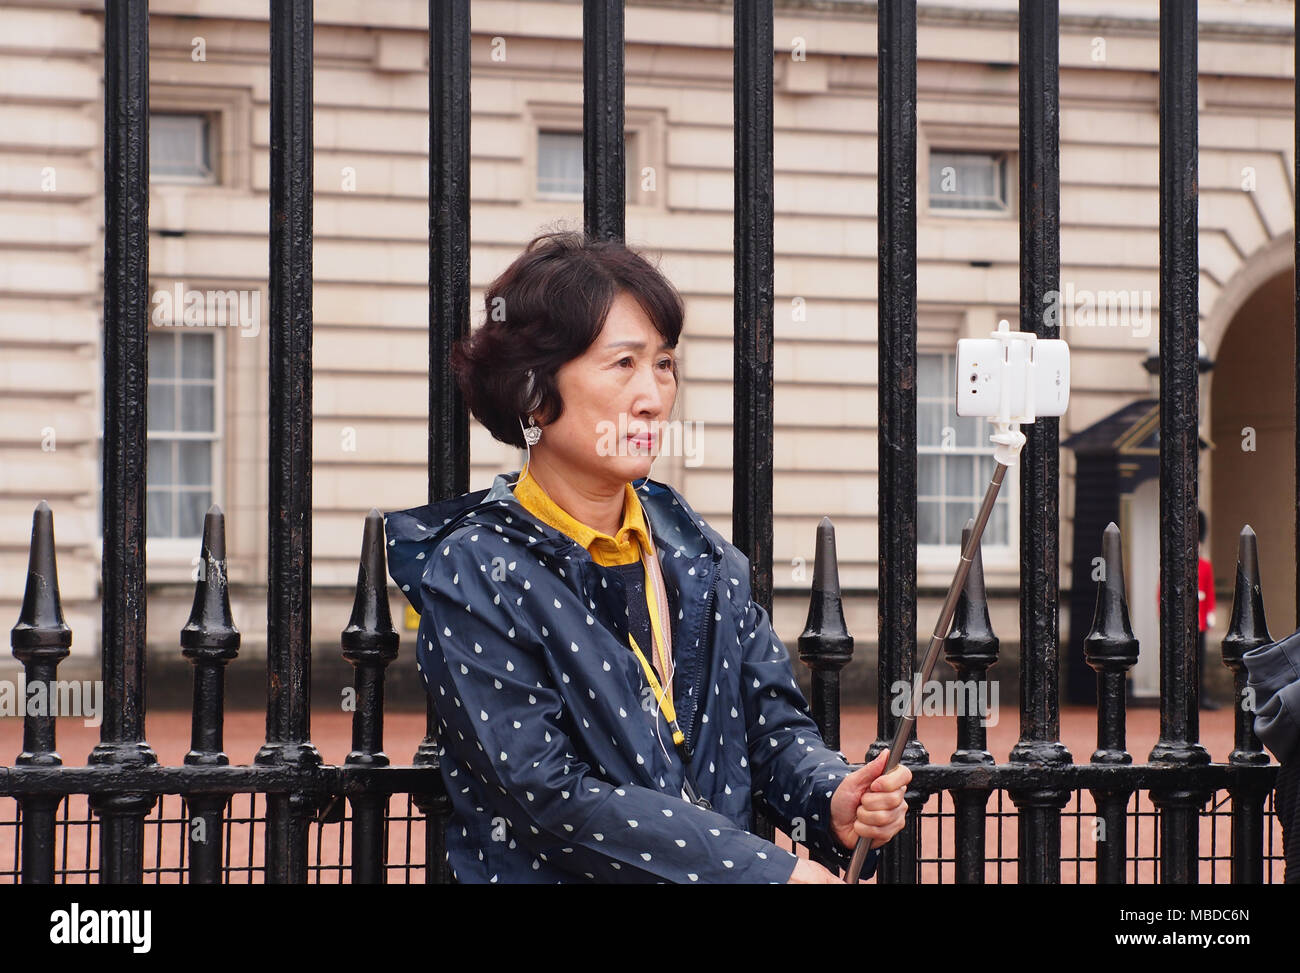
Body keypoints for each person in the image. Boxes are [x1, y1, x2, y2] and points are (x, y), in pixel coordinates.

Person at [384, 229, 910, 883]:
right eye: (623, 362)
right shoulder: (475, 571)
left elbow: (772, 727)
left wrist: (832, 795)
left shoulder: (701, 552)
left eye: (663, 363)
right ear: (532, 392)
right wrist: (763, 873)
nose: (654, 395)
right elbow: (550, 798)